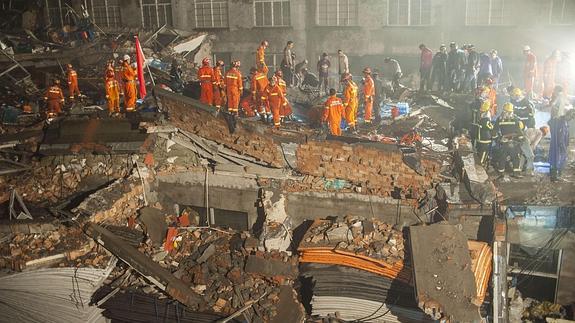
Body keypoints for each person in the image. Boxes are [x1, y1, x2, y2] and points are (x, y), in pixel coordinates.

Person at [494, 103, 525, 178]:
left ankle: (501, 173)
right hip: (512, 142)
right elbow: (519, 131)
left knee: (502, 157)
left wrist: (498, 139)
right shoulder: (515, 118)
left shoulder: (499, 119)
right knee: (515, 157)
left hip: (504, 142)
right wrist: (521, 139)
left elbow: (494, 131)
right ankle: (516, 173)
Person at [548, 86, 570, 181]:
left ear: (557, 91)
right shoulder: (562, 99)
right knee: (560, 147)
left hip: (558, 124)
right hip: (560, 124)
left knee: (557, 147)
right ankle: (556, 170)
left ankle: (555, 170)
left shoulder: (560, 98)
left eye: (554, 91)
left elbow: (557, 110)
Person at [475, 101, 494, 167]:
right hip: (485, 138)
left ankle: (480, 163)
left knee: (481, 151)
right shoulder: (486, 118)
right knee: (483, 152)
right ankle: (481, 164)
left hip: (481, 137)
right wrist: (492, 127)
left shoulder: (483, 117)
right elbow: (488, 127)